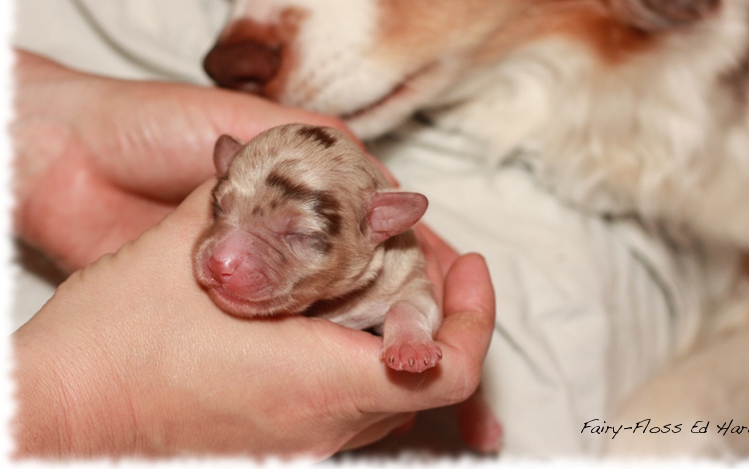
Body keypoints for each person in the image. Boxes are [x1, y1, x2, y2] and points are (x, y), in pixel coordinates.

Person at [11, 50, 496, 458]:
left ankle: (469, 410)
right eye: (223, 208)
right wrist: (99, 414)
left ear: (381, 224)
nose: (223, 257)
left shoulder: (391, 255)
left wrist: (407, 331)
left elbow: (416, 296)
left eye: (295, 235)